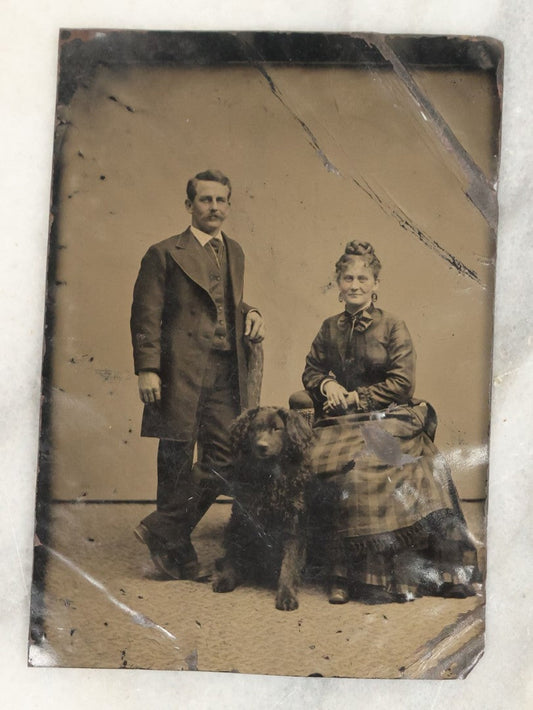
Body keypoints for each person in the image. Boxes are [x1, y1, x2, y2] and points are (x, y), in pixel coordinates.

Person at [302, 241, 480, 604]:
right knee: (345, 472)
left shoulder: (393, 326)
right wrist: (328, 384)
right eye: (347, 278)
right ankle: (349, 576)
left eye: (362, 278)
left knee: (420, 468)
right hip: (342, 422)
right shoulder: (328, 328)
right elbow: (312, 370)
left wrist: (358, 397)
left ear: (375, 283)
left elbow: (402, 382)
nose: (354, 285)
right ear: (338, 284)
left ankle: (442, 570)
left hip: (390, 416)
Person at [130, 169, 264, 580]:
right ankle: (177, 552)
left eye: (221, 200)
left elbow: (226, 302)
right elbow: (146, 315)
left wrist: (251, 312)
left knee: (227, 456)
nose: (214, 208)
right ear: (189, 205)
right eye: (205, 200)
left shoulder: (235, 251)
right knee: (174, 459)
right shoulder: (164, 252)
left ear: (229, 204)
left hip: (226, 371)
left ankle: (164, 527)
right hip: (179, 372)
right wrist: (148, 369)